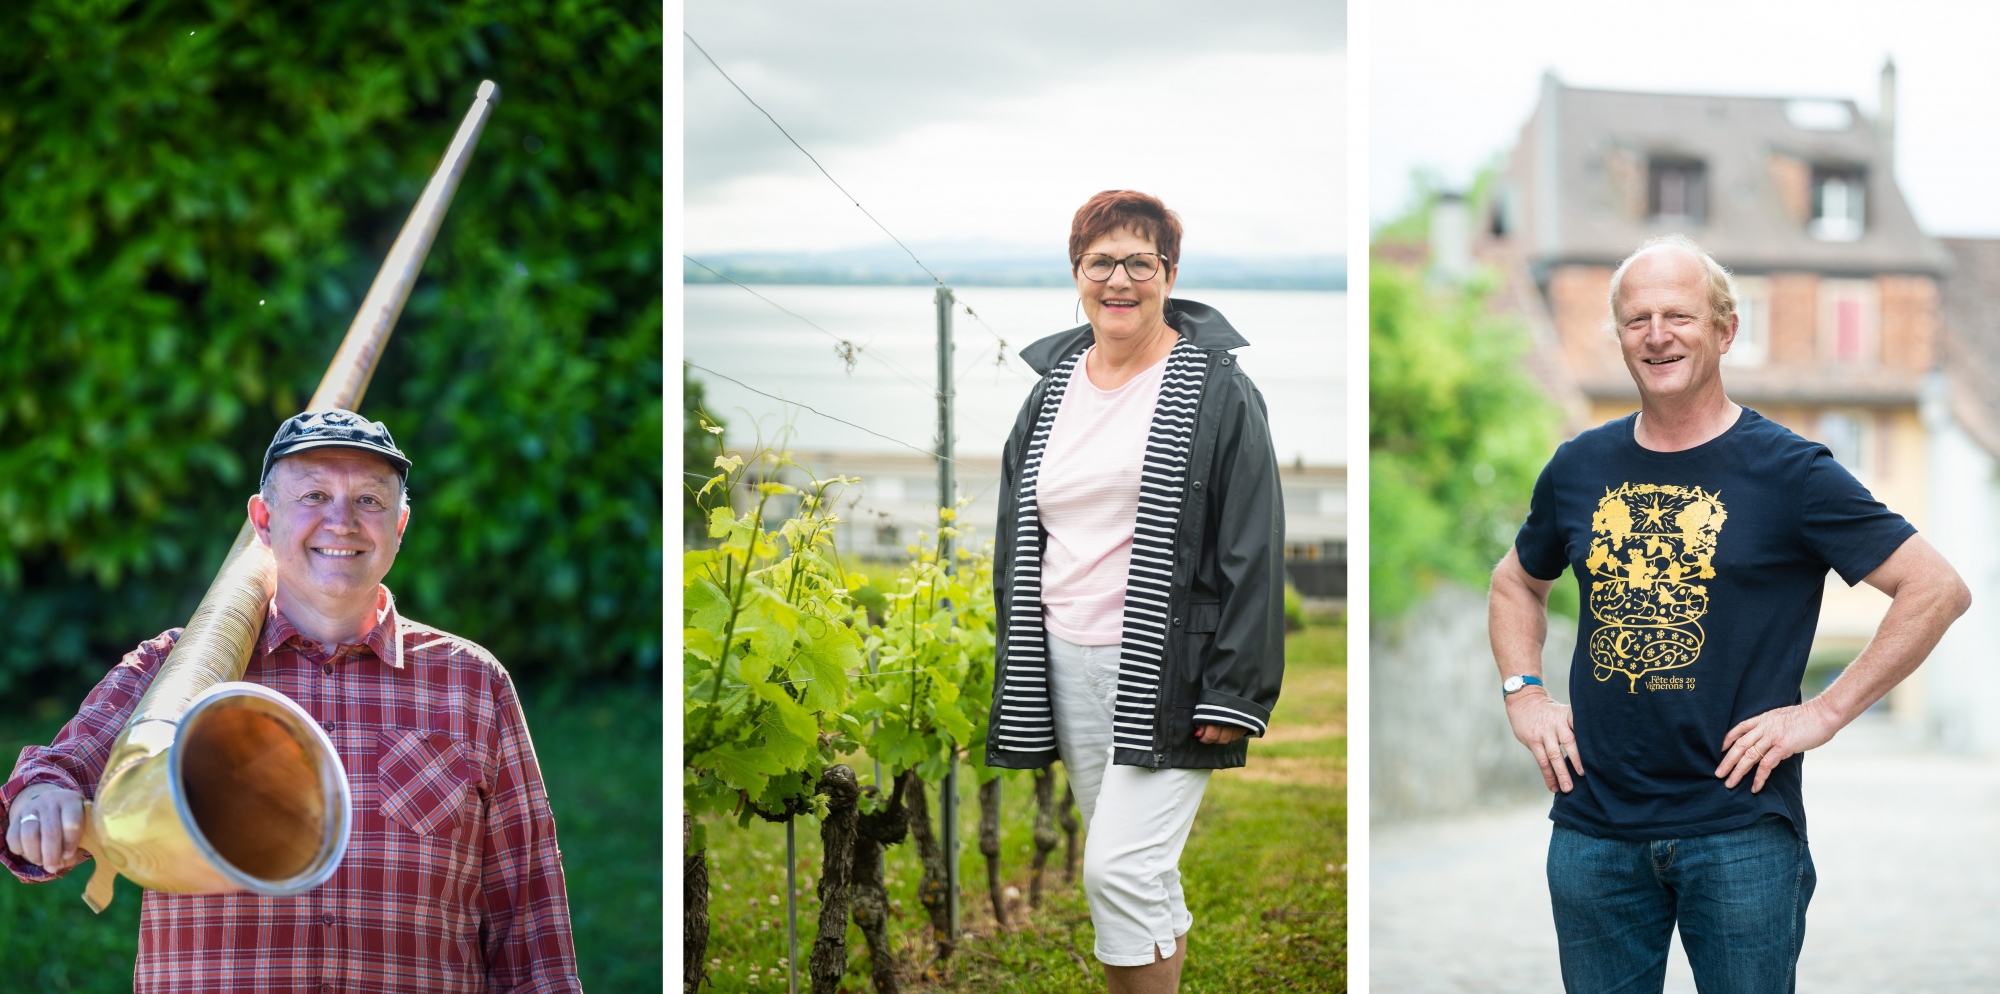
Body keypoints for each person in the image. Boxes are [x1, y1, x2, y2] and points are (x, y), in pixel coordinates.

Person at [1490, 234, 1970, 993]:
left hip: (1740, 832)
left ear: (1725, 329)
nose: (1656, 335)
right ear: (1618, 335)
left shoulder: (1792, 472)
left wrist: (1825, 711)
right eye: (1636, 318)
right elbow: (1516, 583)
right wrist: (1524, 692)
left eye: (1678, 315)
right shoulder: (1578, 466)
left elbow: (1936, 588)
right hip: (1594, 831)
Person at [1, 410, 582, 994]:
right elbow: (57, 771)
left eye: (370, 502)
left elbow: (530, 916)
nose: (342, 522)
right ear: (263, 518)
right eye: (314, 495)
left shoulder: (474, 685)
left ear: (400, 525)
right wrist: (44, 797)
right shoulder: (175, 669)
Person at [984, 189, 1285, 993]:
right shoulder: (1051, 390)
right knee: (1134, 871)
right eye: (1101, 263)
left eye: (1139, 263)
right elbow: (1021, 531)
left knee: (1116, 871)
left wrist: (1234, 690)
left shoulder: (1219, 390)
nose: (1120, 280)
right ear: (1077, 274)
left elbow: (1253, 546)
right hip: (1065, 656)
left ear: (1169, 273)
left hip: (1169, 667)